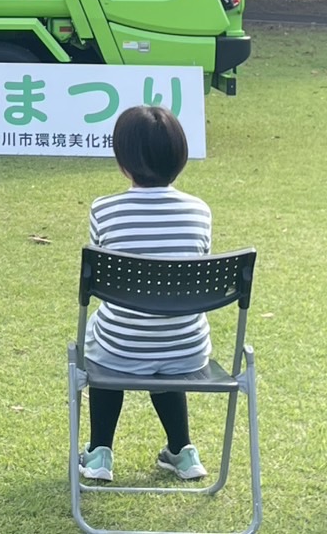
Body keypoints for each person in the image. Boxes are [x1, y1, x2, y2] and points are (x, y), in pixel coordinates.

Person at [78, 105, 212, 485]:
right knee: (161, 340)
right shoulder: (200, 211)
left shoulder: (104, 210)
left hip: (121, 346)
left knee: (109, 345)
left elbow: (102, 278)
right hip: (186, 348)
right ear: (179, 156)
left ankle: (99, 452)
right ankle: (182, 450)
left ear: (124, 161)